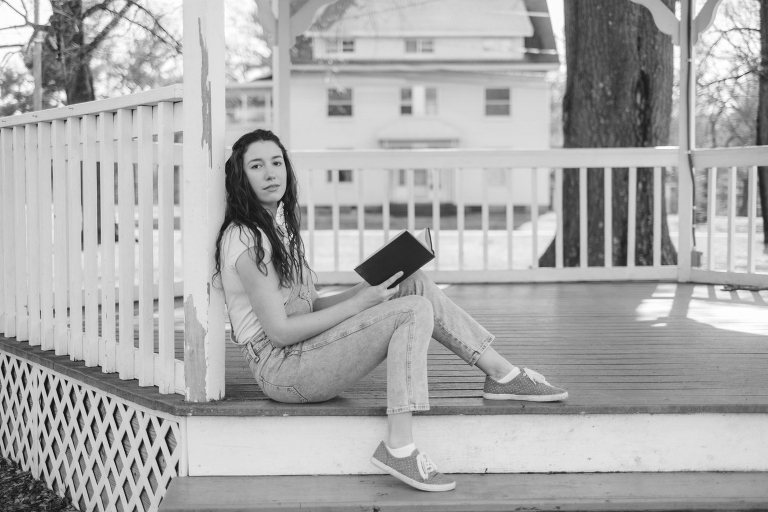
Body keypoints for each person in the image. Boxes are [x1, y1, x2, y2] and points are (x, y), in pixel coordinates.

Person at [214, 129, 568, 493]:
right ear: (241, 177)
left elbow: (313, 306)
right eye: (256, 166)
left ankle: (501, 373)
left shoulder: (278, 228)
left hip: (305, 349)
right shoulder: (246, 239)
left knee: (410, 281)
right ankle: (399, 446)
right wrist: (360, 303)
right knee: (412, 311)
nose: (270, 173)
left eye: (276, 162)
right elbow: (279, 333)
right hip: (282, 369)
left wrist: (369, 290)